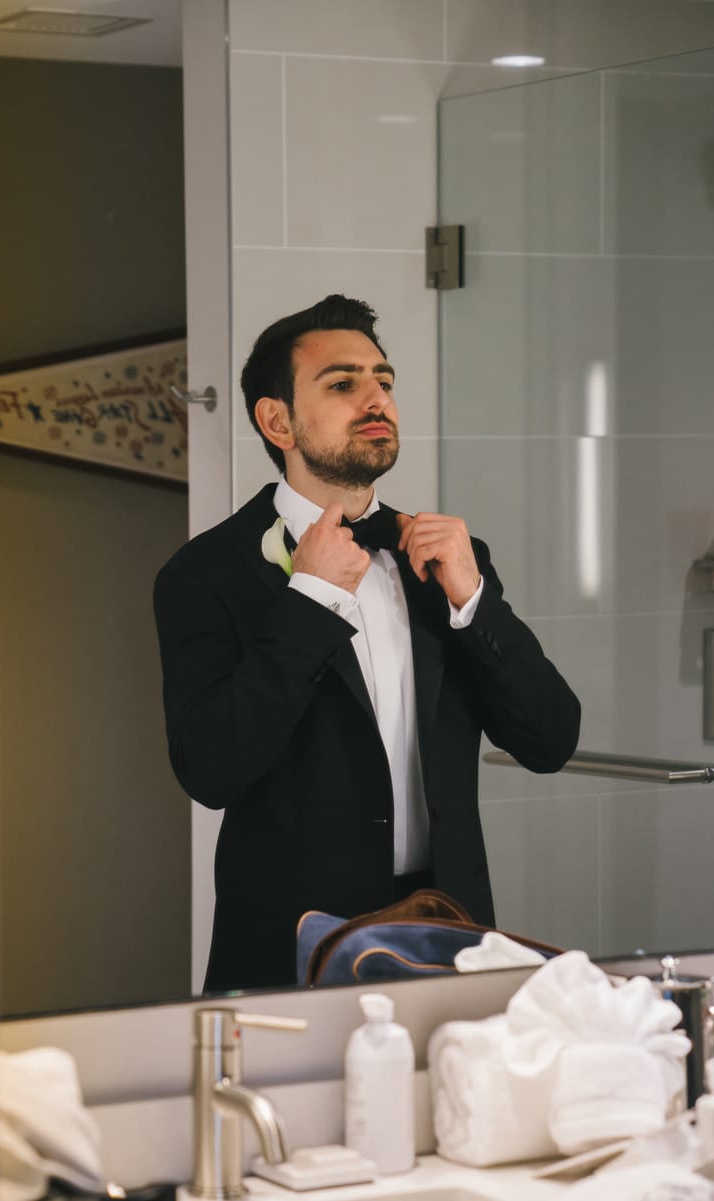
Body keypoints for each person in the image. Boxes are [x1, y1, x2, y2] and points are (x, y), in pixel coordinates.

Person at [153, 294, 580, 992]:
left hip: (452, 937)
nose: (377, 396)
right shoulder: (205, 576)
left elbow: (552, 738)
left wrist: (474, 602)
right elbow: (210, 768)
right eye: (343, 383)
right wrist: (312, 599)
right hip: (289, 945)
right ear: (276, 419)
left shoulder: (446, 560)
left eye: (383, 380)